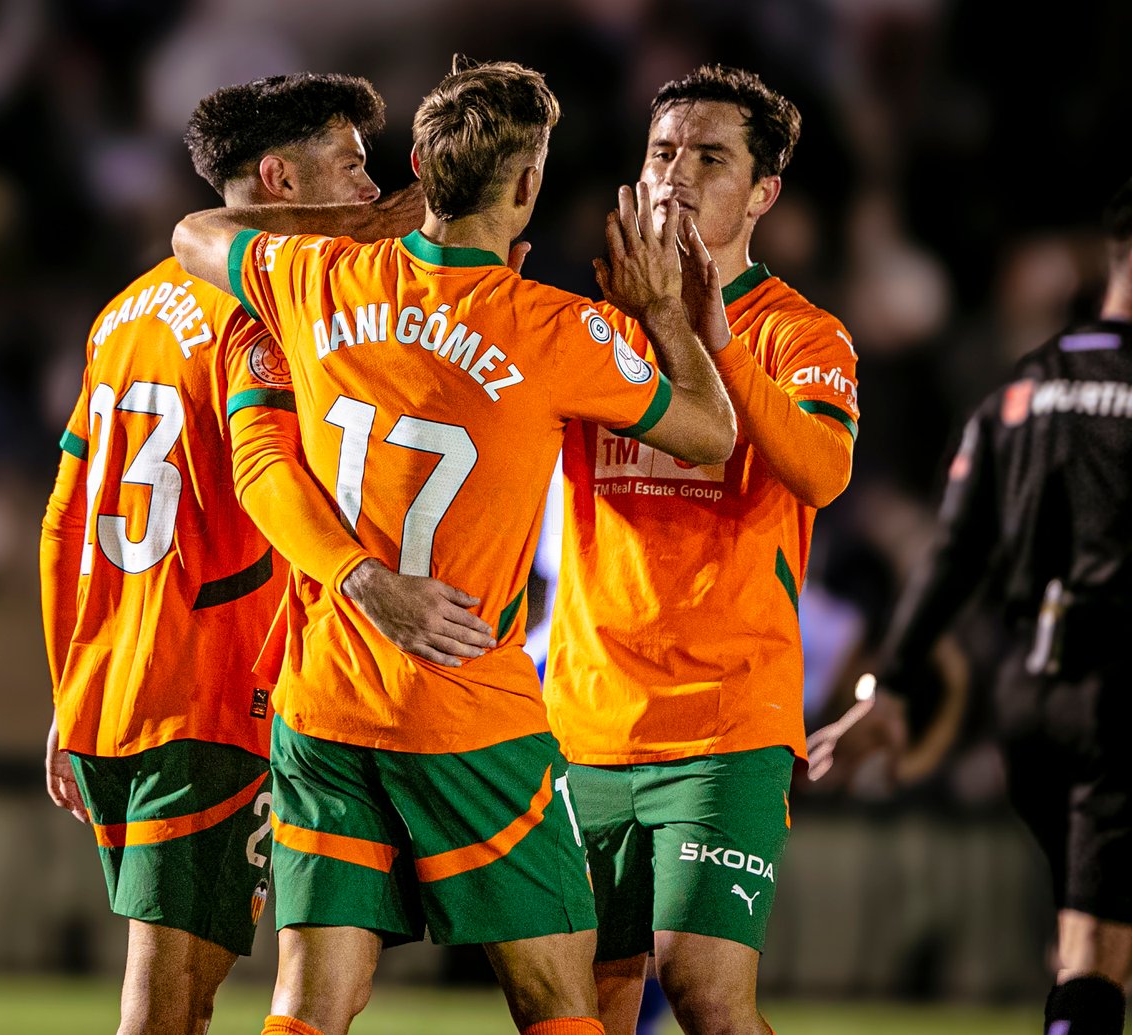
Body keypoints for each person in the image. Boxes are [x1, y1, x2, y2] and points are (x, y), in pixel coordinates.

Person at [173, 58, 737, 1035]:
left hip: (329, 707)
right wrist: (659, 315)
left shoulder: (315, 275)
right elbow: (710, 429)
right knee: (556, 1000)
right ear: (525, 185)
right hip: (470, 712)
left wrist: (354, 223)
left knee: (308, 1004)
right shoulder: (552, 327)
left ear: (419, 174)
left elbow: (195, 234)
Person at [40, 73, 480, 1035]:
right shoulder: (259, 315)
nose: (371, 188)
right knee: (168, 1005)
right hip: (211, 688)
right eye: (352, 164)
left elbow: (65, 521)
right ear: (280, 178)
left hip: (118, 687)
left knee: (183, 999)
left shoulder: (124, 313)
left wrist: (69, 692)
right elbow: (261, 475)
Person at [543, 65, 860, 1035]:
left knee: (705, 995)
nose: (676, 172)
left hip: (724, 720)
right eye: (662, 151)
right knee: (574, 1005)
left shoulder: (802, 334)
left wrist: (712, 338)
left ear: (762, 193)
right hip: (588, 713)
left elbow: (818, 470)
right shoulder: (591, 328)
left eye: (709, 156)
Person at [808, 178, 1132, 1035]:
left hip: (1032, 702)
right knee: (1098, 950)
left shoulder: (1020, 392)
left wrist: (895, 689)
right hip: (1113, 696)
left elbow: (951, 558)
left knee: (1086, 939)